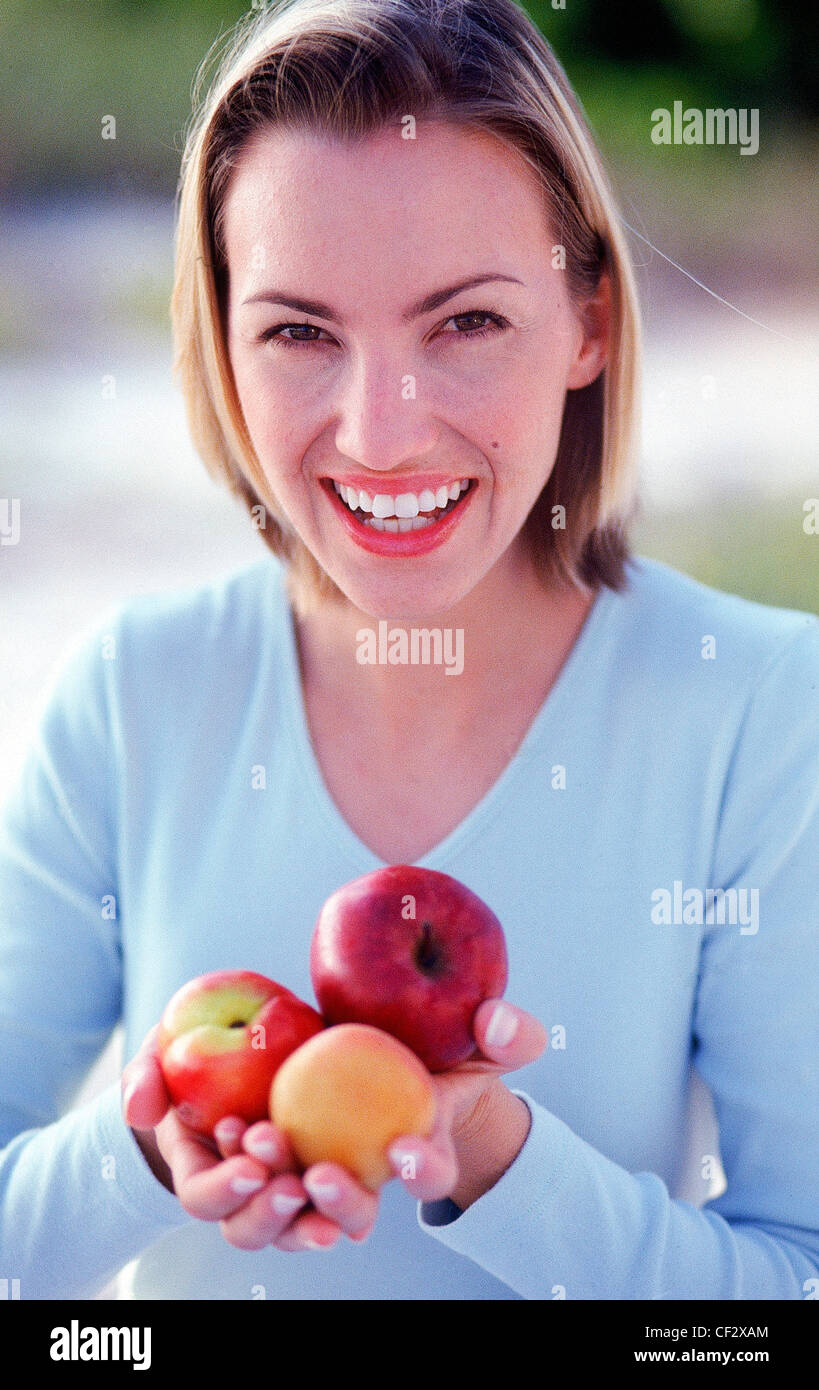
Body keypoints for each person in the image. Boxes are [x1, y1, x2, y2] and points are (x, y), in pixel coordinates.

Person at [1, 0, 817, 1301]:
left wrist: (498, 1162)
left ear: (590, 320)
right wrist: (140, 1152)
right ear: (220, 342)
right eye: (299, 333)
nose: (380, 433)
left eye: (467, 323)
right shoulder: (129, 695)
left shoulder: (764, 711)